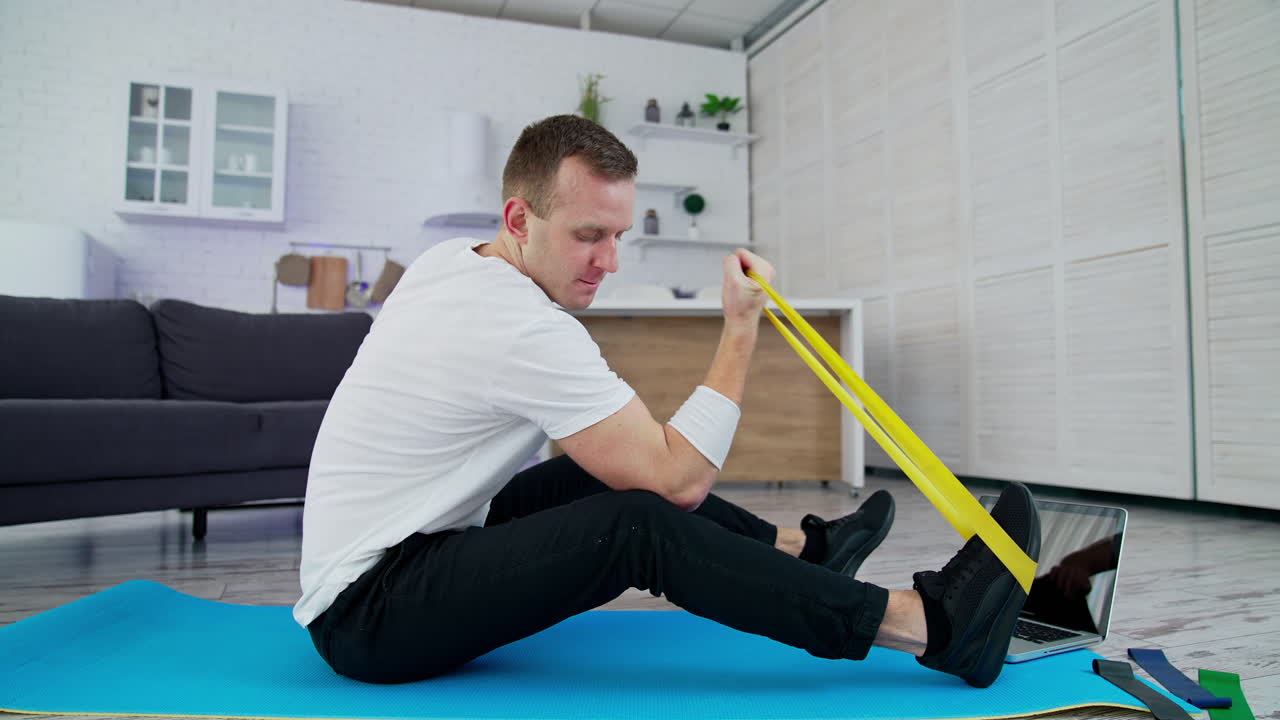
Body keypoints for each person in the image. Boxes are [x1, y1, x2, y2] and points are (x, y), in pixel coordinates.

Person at [294, 114, 1041, 689]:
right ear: (520, 219)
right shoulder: (516, 324)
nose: (609, 262)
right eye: (589, 236)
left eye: (618, 236)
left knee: (594, 474)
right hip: (369, 610)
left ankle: (809, 553)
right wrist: (740, 326)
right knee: (638, 524)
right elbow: (679, 481)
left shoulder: (453, 264)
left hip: (423, 540)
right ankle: (932, 626)